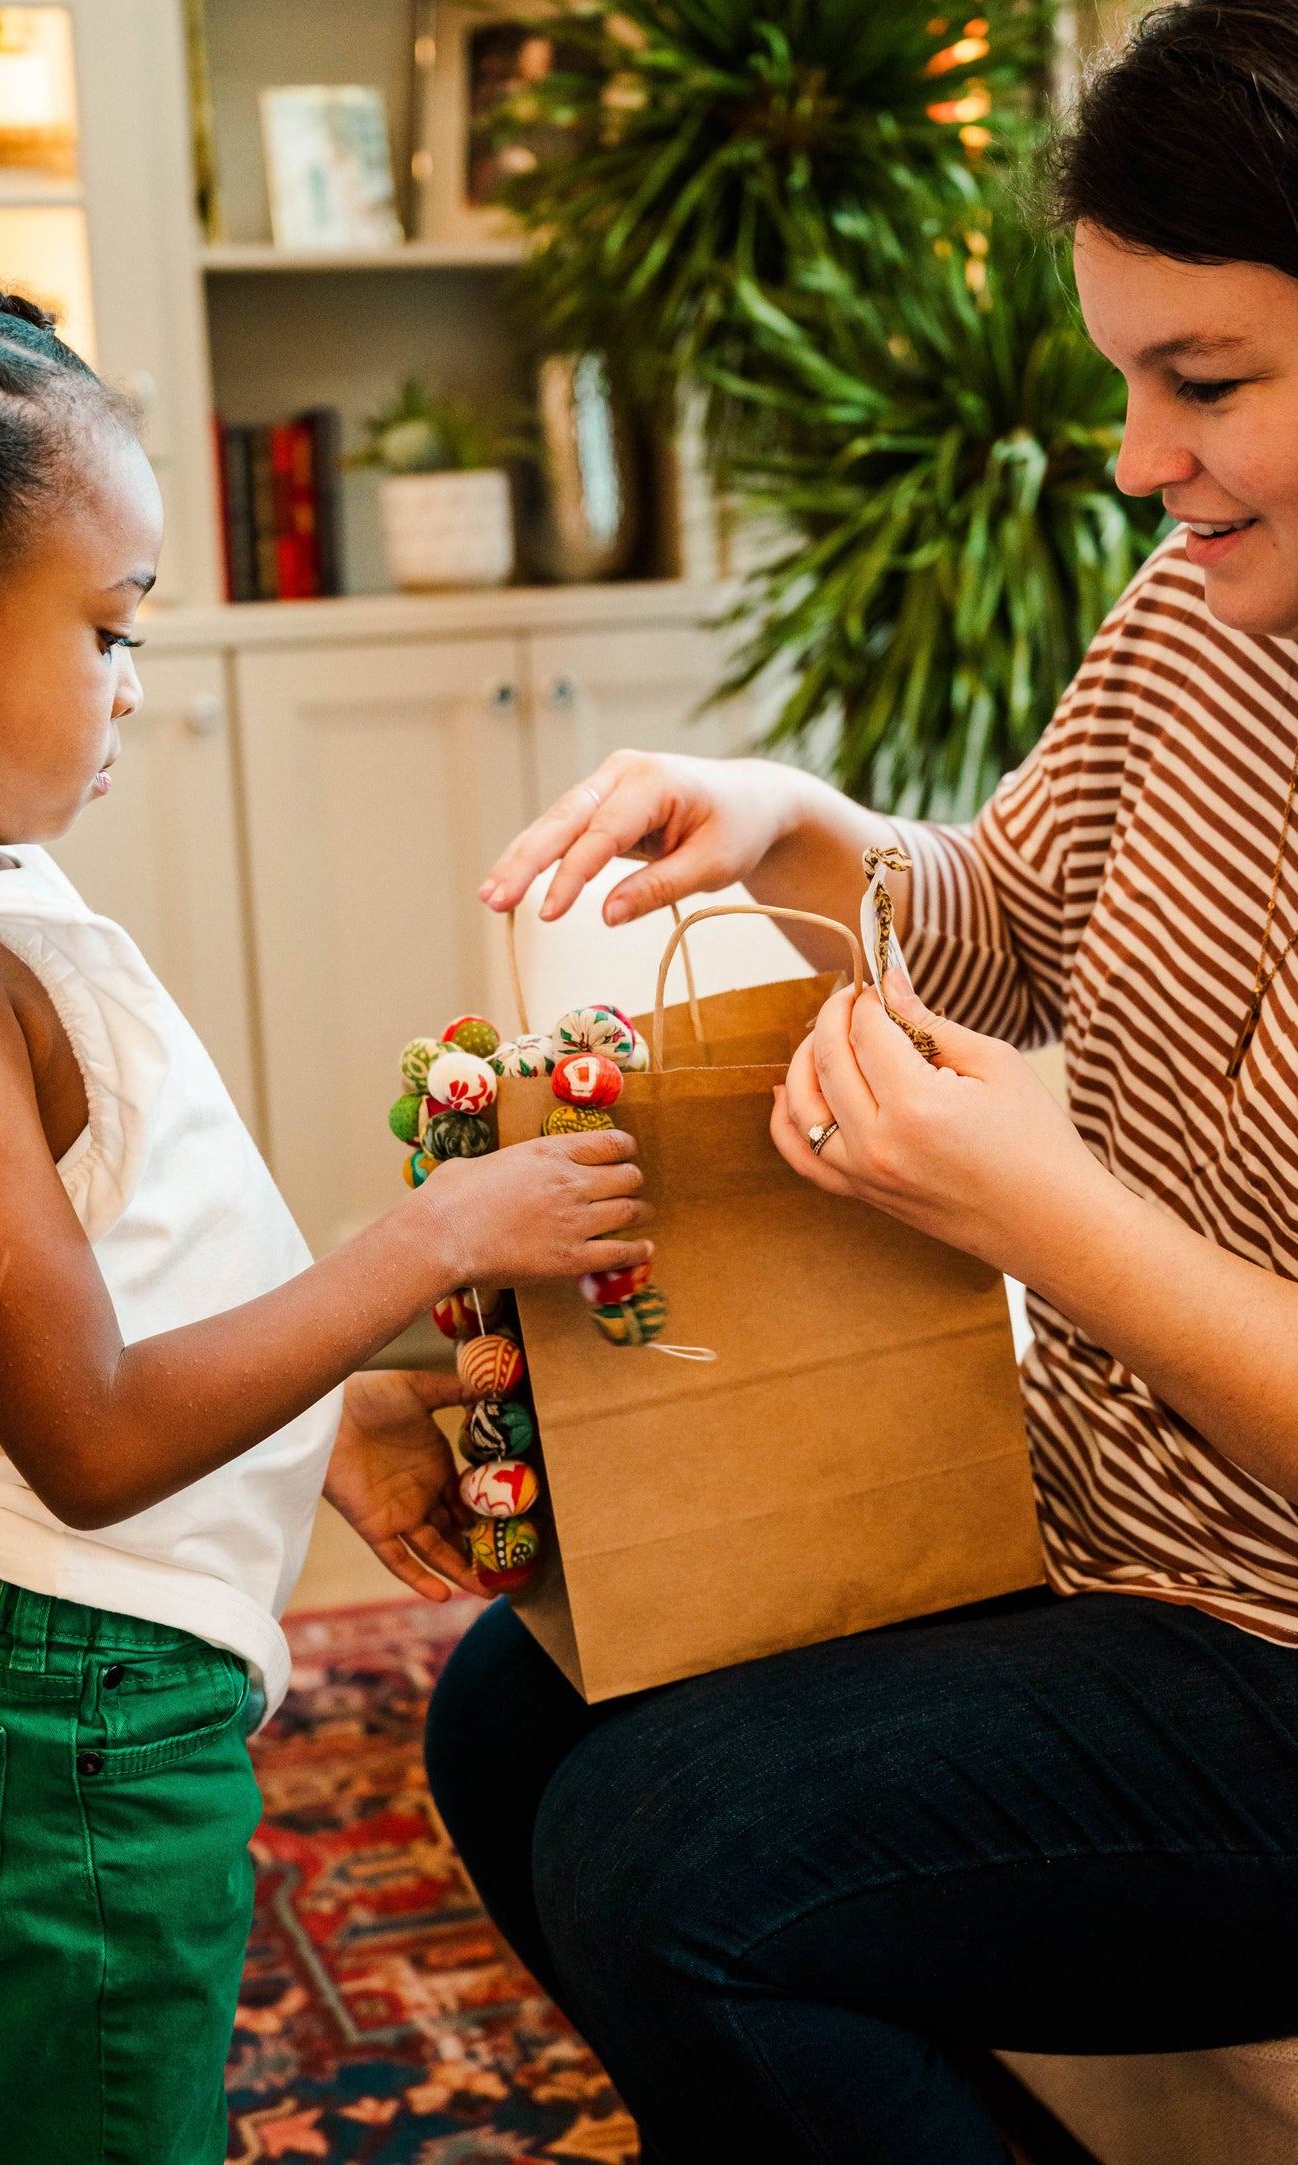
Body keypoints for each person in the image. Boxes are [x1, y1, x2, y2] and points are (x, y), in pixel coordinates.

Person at [352, 5, 1298, 2159]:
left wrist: (1039, 1215)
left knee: (678, 1875)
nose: (1140, 455)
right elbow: (1005, 924)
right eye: (1127, 377)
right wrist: (791, 826)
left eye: (1209, 382)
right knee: (516, 1712)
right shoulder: (1197, 620)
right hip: (1112, 1519)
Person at [0, 202, 653, 2165]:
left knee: (60, 2095)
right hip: (68, 1692)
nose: (134, 686)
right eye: (111, 632)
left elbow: (122, 1282)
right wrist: (434, 1239)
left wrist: (353, 1402)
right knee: (104, 2122)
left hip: (72, 1655)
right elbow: (93, 1434)